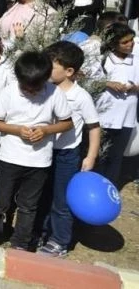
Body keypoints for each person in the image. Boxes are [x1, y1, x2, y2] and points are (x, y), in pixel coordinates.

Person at [0, 51, 72, 250]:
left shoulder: (54, 93)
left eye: (36, 88)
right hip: (10, 157)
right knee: (1, 201)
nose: (31, 92)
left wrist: (46, 130)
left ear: (46, 79)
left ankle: (20, 243)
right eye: (26, 87)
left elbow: (67, 123)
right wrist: (16, 130)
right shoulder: (9, 92)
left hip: (39, 162)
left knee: (28, 205)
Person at [38, 41, 101, 257]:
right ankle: (43, 233)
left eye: (51, 66)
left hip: (67, 155)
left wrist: (90, 156)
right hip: (43, 152)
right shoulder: (45, 90)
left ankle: (60, 241)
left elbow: (94, 127)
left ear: (69, 71)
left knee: (61, 199)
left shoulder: (81, 96)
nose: (46, 70)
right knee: (43, 195)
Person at [95, 23, 139, 184]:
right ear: (114, 43)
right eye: (125, 42)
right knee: (101, 155)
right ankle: (95, 185)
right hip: (105, 116)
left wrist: (134, 87)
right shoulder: (103, 60)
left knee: (116, 156)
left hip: (127, 117)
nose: (130, 45)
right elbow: (90, 81)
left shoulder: (136, 60)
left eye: (131, 41)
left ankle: (110, 187)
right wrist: (108, 84)